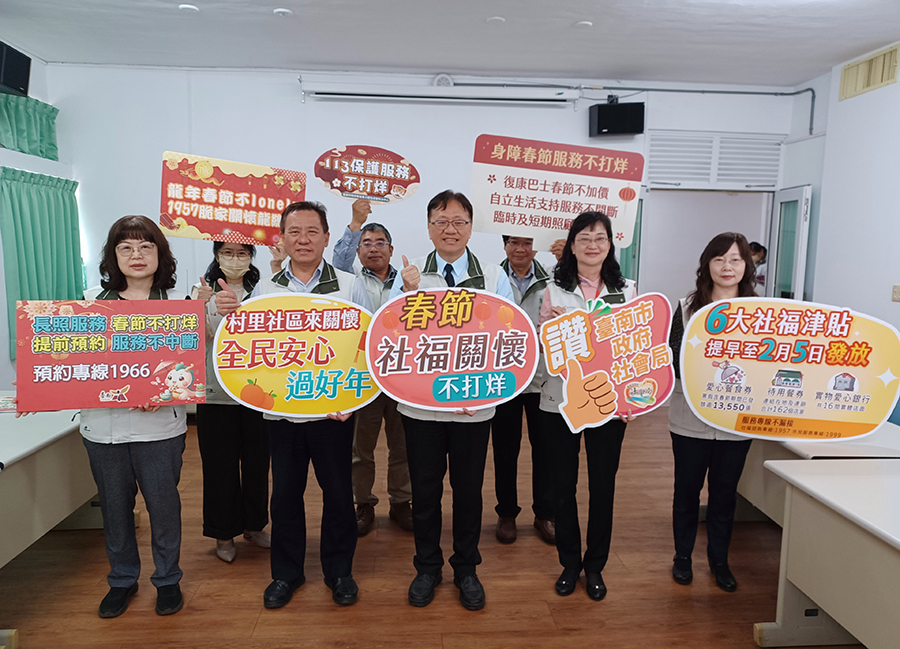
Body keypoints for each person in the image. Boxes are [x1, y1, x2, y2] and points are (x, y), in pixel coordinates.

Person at [215, 201, 371, 609]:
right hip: (281, 414)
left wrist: (353, 399)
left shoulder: (350, 285)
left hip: (334, 412)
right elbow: (251, 349)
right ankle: (286, 574)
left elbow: (367, 346)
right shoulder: (266, 290)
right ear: (282, 238)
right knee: (285, 496)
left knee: (338, 494)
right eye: (294, 232)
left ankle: (340, 571)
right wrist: (229, 315)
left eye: (312, 231)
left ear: (326, 237)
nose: (303, 239)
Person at [388, 190, 514, 611]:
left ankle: (466, 568)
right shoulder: (409, 275)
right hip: (420, 407)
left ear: (471, 228)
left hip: (473, 408)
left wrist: (488, 389)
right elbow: (388, 339)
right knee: (424, 492)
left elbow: (508, 338)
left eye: (459, 221)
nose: (450, 229)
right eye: (441, 221)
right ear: (428, 228)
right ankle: (427, 568)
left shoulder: (493, 277)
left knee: (468, 492)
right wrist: (404, 294)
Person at [81, 215, 188, 618]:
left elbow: (189, 367)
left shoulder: (178, 305)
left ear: (160, 254)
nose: (136, 254)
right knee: (114, 509)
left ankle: (168, 578)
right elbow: (74, 362)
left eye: (146, 246)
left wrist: (163, 391)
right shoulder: (87, 303)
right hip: (102, 428)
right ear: (113, 256)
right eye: (125, 247)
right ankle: (122, 580)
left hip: (159, 429)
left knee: (163, 508)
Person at [538, 211, 636, 602]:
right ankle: (569, 563)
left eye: (599, 238)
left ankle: (595, 565)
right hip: (560, 401)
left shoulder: (628, 291)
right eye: (584, 238)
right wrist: (557, 330)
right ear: (572, 245)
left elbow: (635, 350)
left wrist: (631, 398)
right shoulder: (553, 289)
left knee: (603, 485)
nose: (592, 245)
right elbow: (542, 348)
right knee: (563, 486)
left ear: (610, 245)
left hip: (610, 403)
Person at [668, 233, 756, 592]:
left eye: (735, 259)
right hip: (690, 419)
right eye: (719, 259)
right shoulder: (686, 307)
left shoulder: (761, 312)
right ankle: (682, 558)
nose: (727, 267)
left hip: (737, 420)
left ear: (746, 266)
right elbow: (673, 357)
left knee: (724, 494)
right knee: (686, 492)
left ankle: (720, 562)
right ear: (707, 264)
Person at [332, 199, 412, 536]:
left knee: (402, 443)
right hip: (362, 373)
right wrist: (355, 223)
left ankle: (401, 501)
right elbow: (338, 258)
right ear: (358, 250)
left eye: (380, 243)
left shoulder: (408, 280)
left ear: (391, 249)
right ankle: (362, 502)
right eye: (366, 243)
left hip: (399, 373)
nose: (374, 248)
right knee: (360, 447)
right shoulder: (348, 278)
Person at [191, 242, 272, 563]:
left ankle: (255, 525)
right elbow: (193, 342)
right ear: (216, 255)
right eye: (227, 252)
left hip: (257, 393)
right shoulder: (201, 291)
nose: (234, 259)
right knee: (219, 467)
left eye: (242, 253)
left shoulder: (263, 289)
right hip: (215, 394)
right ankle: (223, 533)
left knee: (257, 464)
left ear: (251, 257)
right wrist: (199, 307)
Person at [492, 235, 555, 544]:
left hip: (542, 379)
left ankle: (545, 514)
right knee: (505, 450)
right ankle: (506, 513)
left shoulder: (553, 280)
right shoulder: (491, 278)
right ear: (504, 245)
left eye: (527, 243)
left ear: (536, 246)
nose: (520, 249)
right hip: (503, 380)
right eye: (514, 242)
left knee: (546, 450)